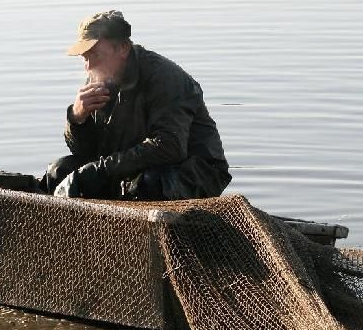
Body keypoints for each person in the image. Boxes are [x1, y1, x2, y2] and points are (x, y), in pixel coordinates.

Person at [39, 10, 231, 200]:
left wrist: (101, 171)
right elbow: (89, 152)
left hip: (195, 172)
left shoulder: (164, 77)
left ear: (123, 48)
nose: (89, 66)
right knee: (59, 172)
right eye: (85, 57)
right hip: (135, 168)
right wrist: (77, 119)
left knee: (144, 186)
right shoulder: (99, 78)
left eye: (95, 55)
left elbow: (170, 147)